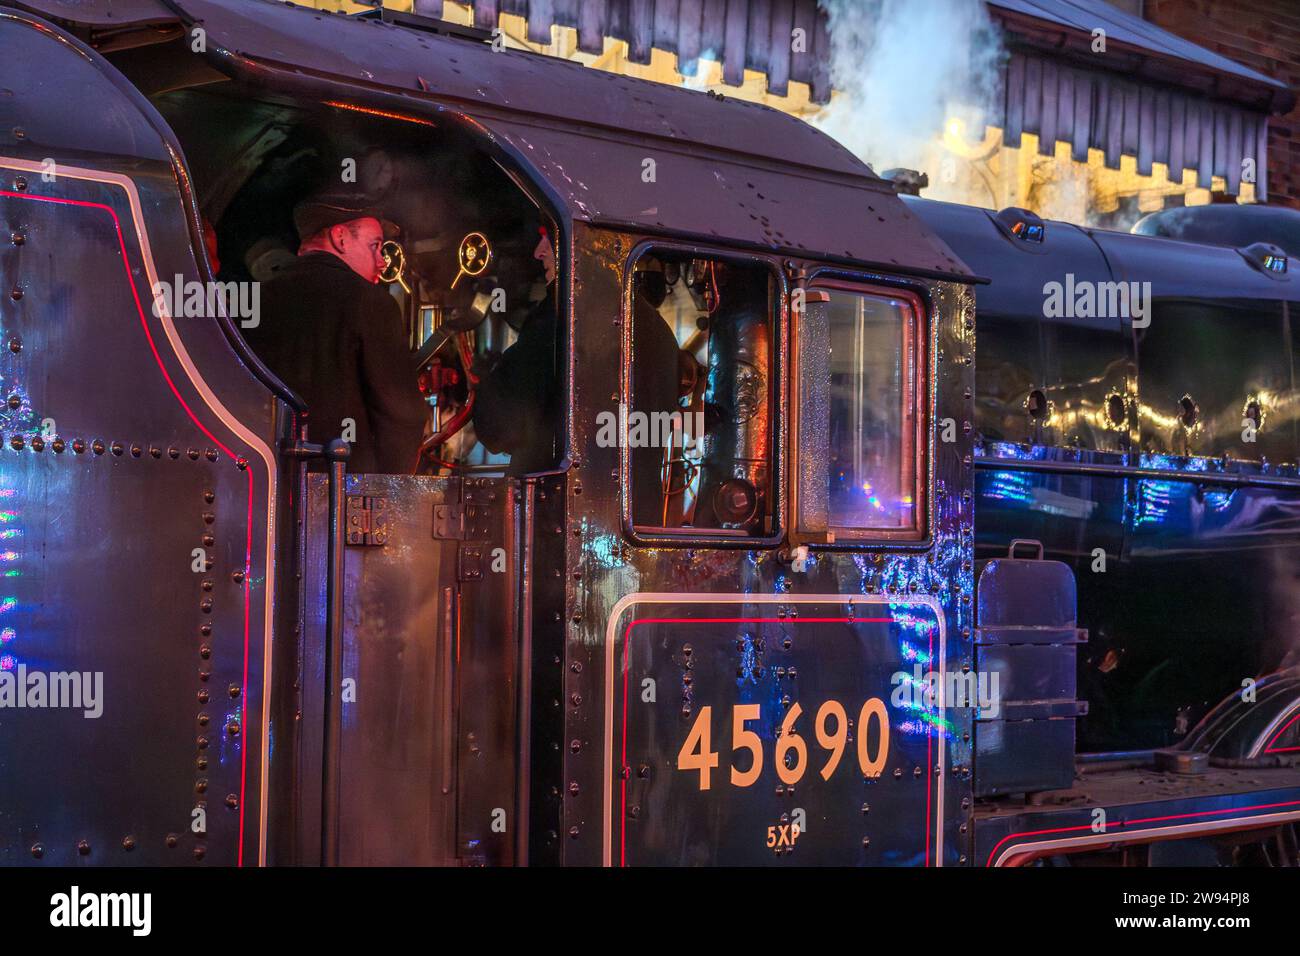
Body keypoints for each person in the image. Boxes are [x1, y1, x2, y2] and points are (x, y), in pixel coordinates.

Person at [243, 189, 428, 473]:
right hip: (345, 492)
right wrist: (390, 486)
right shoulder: (371, 302)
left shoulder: (253, 301)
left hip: (265, 482)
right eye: (375, 246)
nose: (382, 261)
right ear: (340, 238)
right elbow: (402, 415)